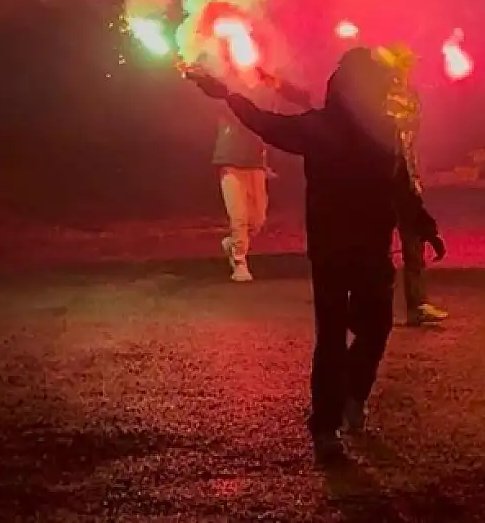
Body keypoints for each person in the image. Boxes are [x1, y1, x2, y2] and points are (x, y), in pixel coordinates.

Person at [186, 48, 444, 462]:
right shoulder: (322, 127)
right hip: (332, 248)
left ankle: (350, 397)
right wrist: (227, 96)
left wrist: (423, 223)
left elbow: (400, 184)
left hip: (368, 246)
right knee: (332, 336)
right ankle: (326, 427)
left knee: (375, 326)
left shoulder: (382, 129)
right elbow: (267, 124)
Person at [212, 68, 307, 283]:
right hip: (230, 163)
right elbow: (218, 94)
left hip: (255, 165)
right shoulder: (227, 99)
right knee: (239, 217)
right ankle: (240, 262)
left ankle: (233, 244)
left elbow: (266, 127)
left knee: (257, 220)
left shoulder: (260, 105)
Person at [384, 46, 447, 325]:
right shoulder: (384, 95)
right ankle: (373, 305)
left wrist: (414, 175)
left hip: (406, 176)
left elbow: (412, 141)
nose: (409, 69)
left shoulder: (412, 95)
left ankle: (417, 304)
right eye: (405, 64)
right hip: (384, 176)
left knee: (413, 241)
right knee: (378, 244)